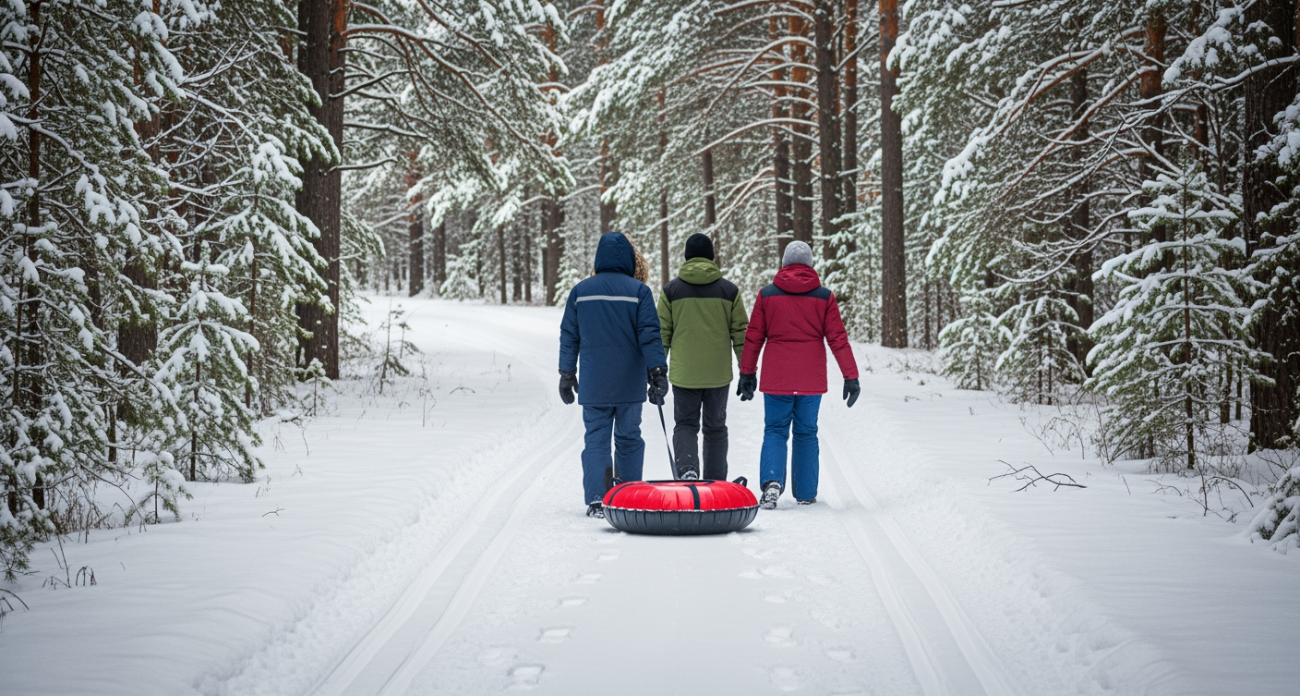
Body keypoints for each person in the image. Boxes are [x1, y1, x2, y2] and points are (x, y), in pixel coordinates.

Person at [737, 240, 860, 509]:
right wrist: (850, 376)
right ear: (810, 265)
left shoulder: (767, 295)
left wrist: (747, 373)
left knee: (775, 430)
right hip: (810, 378)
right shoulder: (824, 297)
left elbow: (754, 337)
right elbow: (838, 338)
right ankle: (805, 493)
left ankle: (771, 482)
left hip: (777, 376)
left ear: (784, 264)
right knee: (806, 432)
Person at [559, 232, 669, 519]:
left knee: (596, 440)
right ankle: (629, 495)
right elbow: (649, 335)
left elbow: (569, 335)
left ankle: (597, 500)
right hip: (629, 382)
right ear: (629, 259)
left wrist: (567, 373)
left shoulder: (580, 292)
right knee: (629, 438)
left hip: (594, 383)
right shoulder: (639, 292)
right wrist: (657, 371)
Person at [656, 233, 748, 481]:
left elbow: (661, 333)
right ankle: (715, 482)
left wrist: (657, 370)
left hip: (684, 374)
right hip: (718, 375)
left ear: (687, 257)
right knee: (715, 429)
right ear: (711, 257)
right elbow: (740, 333)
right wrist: (746, 370)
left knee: (685, 425)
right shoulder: (729, 291)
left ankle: (687, 471)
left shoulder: (671, 291)